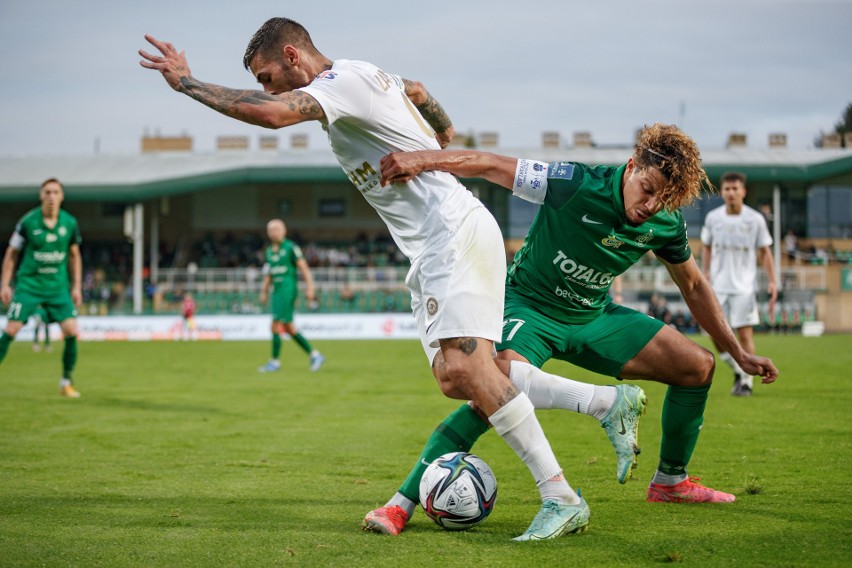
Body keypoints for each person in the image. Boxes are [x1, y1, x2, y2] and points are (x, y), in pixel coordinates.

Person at [140, 18, 608, 540]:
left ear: (293, 55)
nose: (267, 86)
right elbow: (420, 92)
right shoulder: (364, 75)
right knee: (456, 376)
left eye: (267, 75)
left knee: (471, 372)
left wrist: (187, 83)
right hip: (437, 242)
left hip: (450, 231)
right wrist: (441, 133)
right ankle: (605, 404)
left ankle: (560, 495)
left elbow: (271, 115)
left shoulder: (341, 84)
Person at [363, 123, 779, 535]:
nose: (652, 205)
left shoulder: (666, 224)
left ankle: (671, 482)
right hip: (530, 308)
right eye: (648, 189)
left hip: (594, 317)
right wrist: (422, 159)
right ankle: (401, 505)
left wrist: (737, 354)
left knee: (698, 367)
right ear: (632, 166)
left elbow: (692, 285)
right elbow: (488, 164)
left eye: (665, 198)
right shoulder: (575, 182)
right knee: (492, 386)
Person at [0, 178, 83, 398]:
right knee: (11, 329)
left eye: (56, 192)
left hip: (58, 288)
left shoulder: (70, 223)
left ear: (62, 196)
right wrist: (5, 284)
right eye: (47, 192)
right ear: (41, 195)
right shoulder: (27, 222)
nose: (52, 197)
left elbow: (75, 255)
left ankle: (66, 382)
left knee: (72, 331)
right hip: (29, 286)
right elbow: (11, 254)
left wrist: (76, 287)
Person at [701, 172, 778, 397]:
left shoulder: (755, 219)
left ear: (743, 192)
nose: (731, 193)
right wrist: (705, 272)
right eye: (727, 189)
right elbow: (706, 246)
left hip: (744, 287)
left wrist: (772, 281)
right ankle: (739, 368)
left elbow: (765, 252)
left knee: (744, 336)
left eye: (735, 189)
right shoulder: (713, 218)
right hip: (718, 286)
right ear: (722, 192)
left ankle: (746, 384)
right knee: (715, 334)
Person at [257, 219, 324, 373]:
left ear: (284, 231)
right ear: (268, 233)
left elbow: (304, 269)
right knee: (288, 328)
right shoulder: (268, 252)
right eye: (272, 229)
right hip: (277, 291)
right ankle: (315, 355)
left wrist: (310, 289)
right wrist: (263, 292)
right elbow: (268, 275)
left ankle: (274, 362)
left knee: (275, 324)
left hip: (287, 290)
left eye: (278, 229)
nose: (275, 232)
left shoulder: (291, 248)